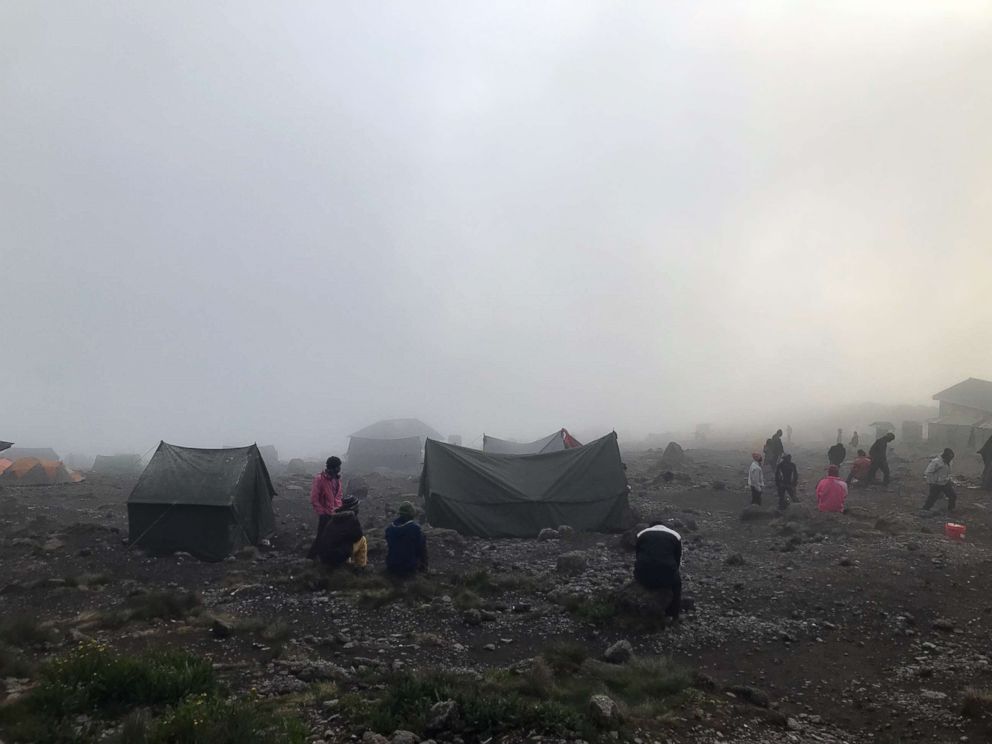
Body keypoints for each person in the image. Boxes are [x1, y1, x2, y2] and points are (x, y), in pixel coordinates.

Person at [634, 522, 683, 620]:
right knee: (677, 585)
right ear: (665, 527)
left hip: (643, 576)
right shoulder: (675, 535)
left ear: (651, 527)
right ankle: (673, 614)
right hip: (667, 577)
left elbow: (638, 555)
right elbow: (677, 559)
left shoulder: (642, 534)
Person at [307, 456, 344, 559]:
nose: (339, 469)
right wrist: (322, 513)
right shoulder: (320, 479)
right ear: (333, 467)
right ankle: (311, 558)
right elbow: (314, 498)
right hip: (325, 514)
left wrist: (339, 507)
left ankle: (327, 558)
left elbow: (339, 495)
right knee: (321, 537)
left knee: (335, 536)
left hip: (336, 513)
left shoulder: (337, 479)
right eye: (338, 467)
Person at [316, 495, 366, 568]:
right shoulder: (351, 519)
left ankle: (347, 561)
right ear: (353, 508)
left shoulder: (333, 519)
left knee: (344, 542)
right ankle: (360, 565)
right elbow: (358, 536)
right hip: (335, 558)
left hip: (324, 557)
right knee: (362, 540)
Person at [385, 501, 428, 577]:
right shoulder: (415, 529)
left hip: (391, 565)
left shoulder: (390, 528)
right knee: (422, 540)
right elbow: (420, 549)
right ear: (411, 514)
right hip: (408, 567)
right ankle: (423, 570)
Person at [922, 448, 956, 512]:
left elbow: (948, 472)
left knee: (952, 496)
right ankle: (925, 509)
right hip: (936, 484)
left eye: (951, 458)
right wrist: (932, 483)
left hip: (945, 482)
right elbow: (928, 472)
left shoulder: (950, 462)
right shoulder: (936, 462)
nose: (950, 460)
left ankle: (951, 509)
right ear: (945, 457)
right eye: (949, 458)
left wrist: (949, 479)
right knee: (932, 498)